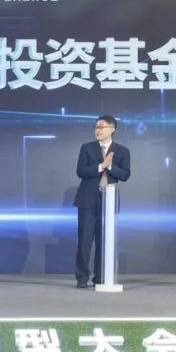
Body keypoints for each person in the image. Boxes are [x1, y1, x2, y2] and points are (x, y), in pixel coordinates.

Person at [73, 115, 131, 289]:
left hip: (109, 201)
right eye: (96, 127)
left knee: (104, 240)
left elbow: (125, 175)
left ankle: (100, 277)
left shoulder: (122, 151)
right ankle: (82, 277)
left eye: (101, 127)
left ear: (112, 129)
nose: (97, 130)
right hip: (87, 201)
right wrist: (101, 166)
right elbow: (81, 171)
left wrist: (110, 166)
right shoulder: (87, 148)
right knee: (85, 240)